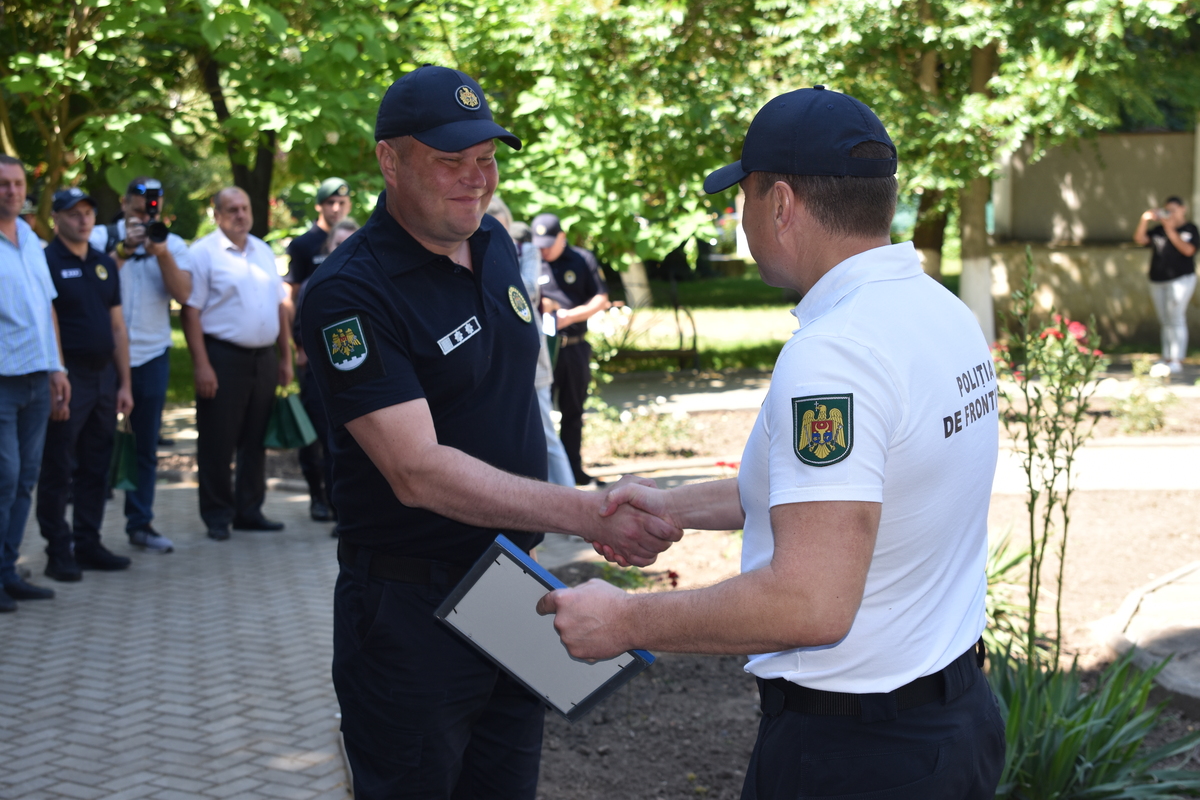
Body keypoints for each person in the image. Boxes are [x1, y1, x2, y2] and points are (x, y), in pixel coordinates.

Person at [538, 86, 1006, 799]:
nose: (742, 217)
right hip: (948, 722)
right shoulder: (937, 310)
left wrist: (627, 619)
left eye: (744, 197)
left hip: (856, 757)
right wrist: (674, 506)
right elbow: (842, 492)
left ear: (781, 204)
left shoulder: (837, 354)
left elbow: (810, 602)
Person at [299, 64, 681, 800]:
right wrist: (583, 510)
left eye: (486, 158)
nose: (476, 179)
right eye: (452, 161)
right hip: (412, 610)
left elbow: (510, 398)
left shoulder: (495, 244)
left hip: (509, 589)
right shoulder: (350, 292)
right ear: (389, 160)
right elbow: (416, 470)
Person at [182, 187, 292, 542]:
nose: (241, 214)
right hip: (223, 357)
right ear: (216, 215)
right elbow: (190, 312)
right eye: (232, 209)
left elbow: (279, 306)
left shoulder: (262, 250)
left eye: (245, 207)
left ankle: (249, 510)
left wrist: (285, 357)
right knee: (218, 439)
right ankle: (217, 513)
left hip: (264, 358)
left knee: (256, 439)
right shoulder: (203, 253)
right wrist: (201, 365)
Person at [90, 177, 193, 553]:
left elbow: (184, 294)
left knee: (145, 445)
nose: (145, 217)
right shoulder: (99, 238)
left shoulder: (172, 243)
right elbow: (92, 288)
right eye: (137, 210)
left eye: (152, 209)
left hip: (151, 355)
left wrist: (160, 252)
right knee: (95, 445)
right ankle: (87, 533)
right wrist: (123, 248)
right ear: (123, 203)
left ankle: (140, 523)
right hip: (102, 356)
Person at [37, 188, 135, 580]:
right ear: (56, 218)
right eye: (73, 213)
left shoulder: (103, 263)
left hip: (104, 377)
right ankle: (58, 551)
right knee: (59, 466)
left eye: (88, 213)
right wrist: (55, 373)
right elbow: (46, 324)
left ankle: (88, 543)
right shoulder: (46, 261)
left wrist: (125, 383)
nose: (83, 220)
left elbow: (117, 325)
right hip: (68, 375)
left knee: (96, 465)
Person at [0, 154, 71, 611]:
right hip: (2, 382)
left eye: (18, 183)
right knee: (4, 478)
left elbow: (47, 309)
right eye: (3, 184)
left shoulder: (30, 240)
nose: (12, 191)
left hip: (37, 379)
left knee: (25, 478)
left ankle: (8, 570)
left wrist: (57, 367)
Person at [487, 196, 574, 487]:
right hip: (493, 359)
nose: (494, 234)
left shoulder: (525, 250)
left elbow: (527, 291)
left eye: (500, 228)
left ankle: (571, 499)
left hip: (531, 359)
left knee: (546, 434)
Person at [286, 178, 351, 520]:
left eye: (342, 202)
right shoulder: (303, 247)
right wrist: (296, 346)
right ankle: (317, 496)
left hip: (347, 356)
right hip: (313, 355)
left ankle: (342, 502)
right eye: (330, 203)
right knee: (315, 432)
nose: (336, 208)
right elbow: (293, 300)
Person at [531, 212, 610, 486]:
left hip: (573, 346)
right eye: (539, 245)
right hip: (542, 349)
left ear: (562, 237)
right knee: (538, 414)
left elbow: (601, 298)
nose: (543, 250)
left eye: (548, 244)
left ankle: (573, 471)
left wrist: (570, 316)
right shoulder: (530, 260)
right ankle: (541, 474)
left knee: (573, 411)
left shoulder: (581, 259)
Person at [1134, 196, 1197, 374]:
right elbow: (1140, 239)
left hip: (1181, 279)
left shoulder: (1190, 229)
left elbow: (1188, 250)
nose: (1170, 214)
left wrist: (1170, 230)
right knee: (1165, 320)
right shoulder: (1158, 230)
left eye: (1173, 210)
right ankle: (1167, 357)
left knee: (1175, 317)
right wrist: (1144, 219)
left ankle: (1177, 359)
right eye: (1167, 210)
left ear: (1183, 209)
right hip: (1158, 280)